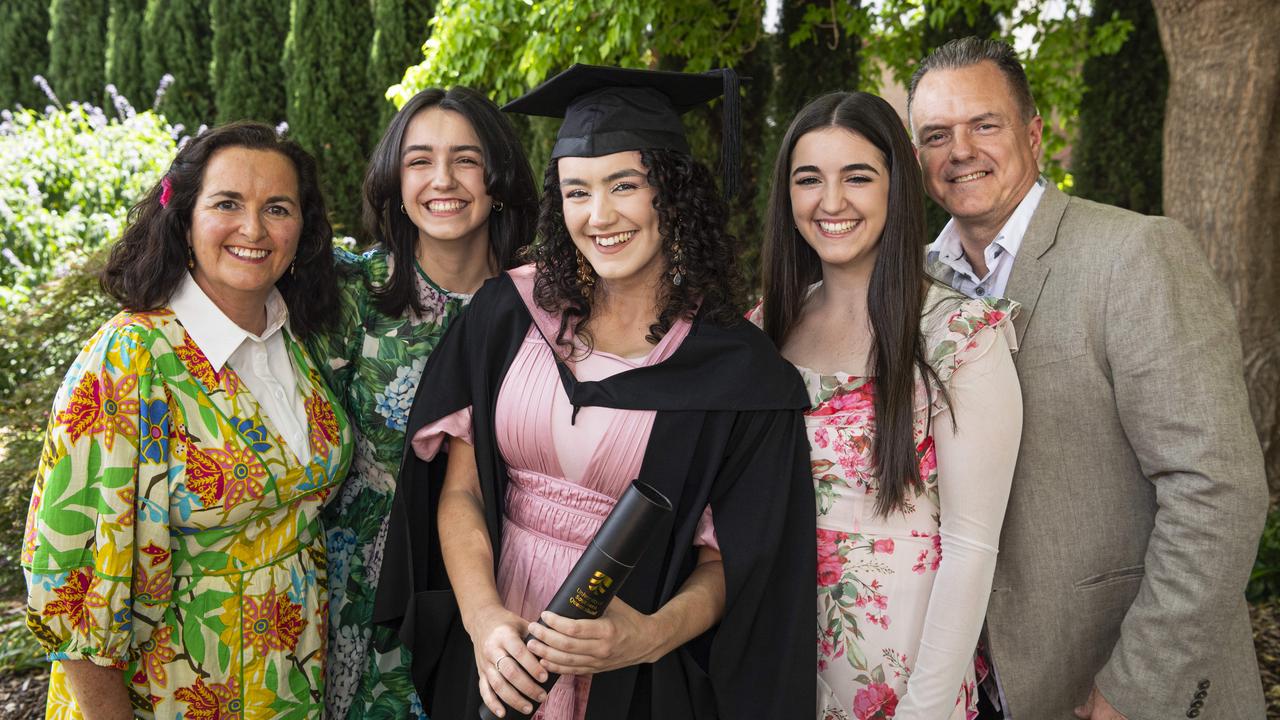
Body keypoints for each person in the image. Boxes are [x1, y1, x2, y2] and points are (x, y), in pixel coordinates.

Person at [373, 64, 816, 720]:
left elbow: (738, 557)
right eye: (577, 191)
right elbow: (460, 491)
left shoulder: (736, 371)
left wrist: (648, 636)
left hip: (630, 673)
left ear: (672, 191)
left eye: (624, 185)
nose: (599, 216)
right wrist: (484, 621)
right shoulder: (510, 314)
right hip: (503, 654)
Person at [908, 36, 1268, 720]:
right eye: (935, 134)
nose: (960, 151)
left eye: (985, 124)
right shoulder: (912, 285)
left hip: (1117, 684)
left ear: (1034, 133)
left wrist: (1134, 691)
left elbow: (1216, 489)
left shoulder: (1134, 254)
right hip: (972, 690)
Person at [22, 121, 353, 719]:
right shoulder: (129, 360)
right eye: (227, 203)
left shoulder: (292, 336)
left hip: (290, 682)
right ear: (184, 217)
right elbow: (68, 583)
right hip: (171, 692)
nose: (252, 229)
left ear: (302, 230)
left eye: (276, 208)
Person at [751, 91, 1022, 720]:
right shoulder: (763, 329)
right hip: (775, 660)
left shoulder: (961, 337)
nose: (832, 201)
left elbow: (971, 548)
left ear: (896, 189)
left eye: (858, 177)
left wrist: (923, 710)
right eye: (809, 179)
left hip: (902, 672)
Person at [305, 86, 537, 719]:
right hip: (360, 579)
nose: (443, 180)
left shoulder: (542, 304)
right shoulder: (352, 290)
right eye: (419, 160)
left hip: (498, 575)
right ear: (394, 178)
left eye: (466, 159)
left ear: (498, 175)